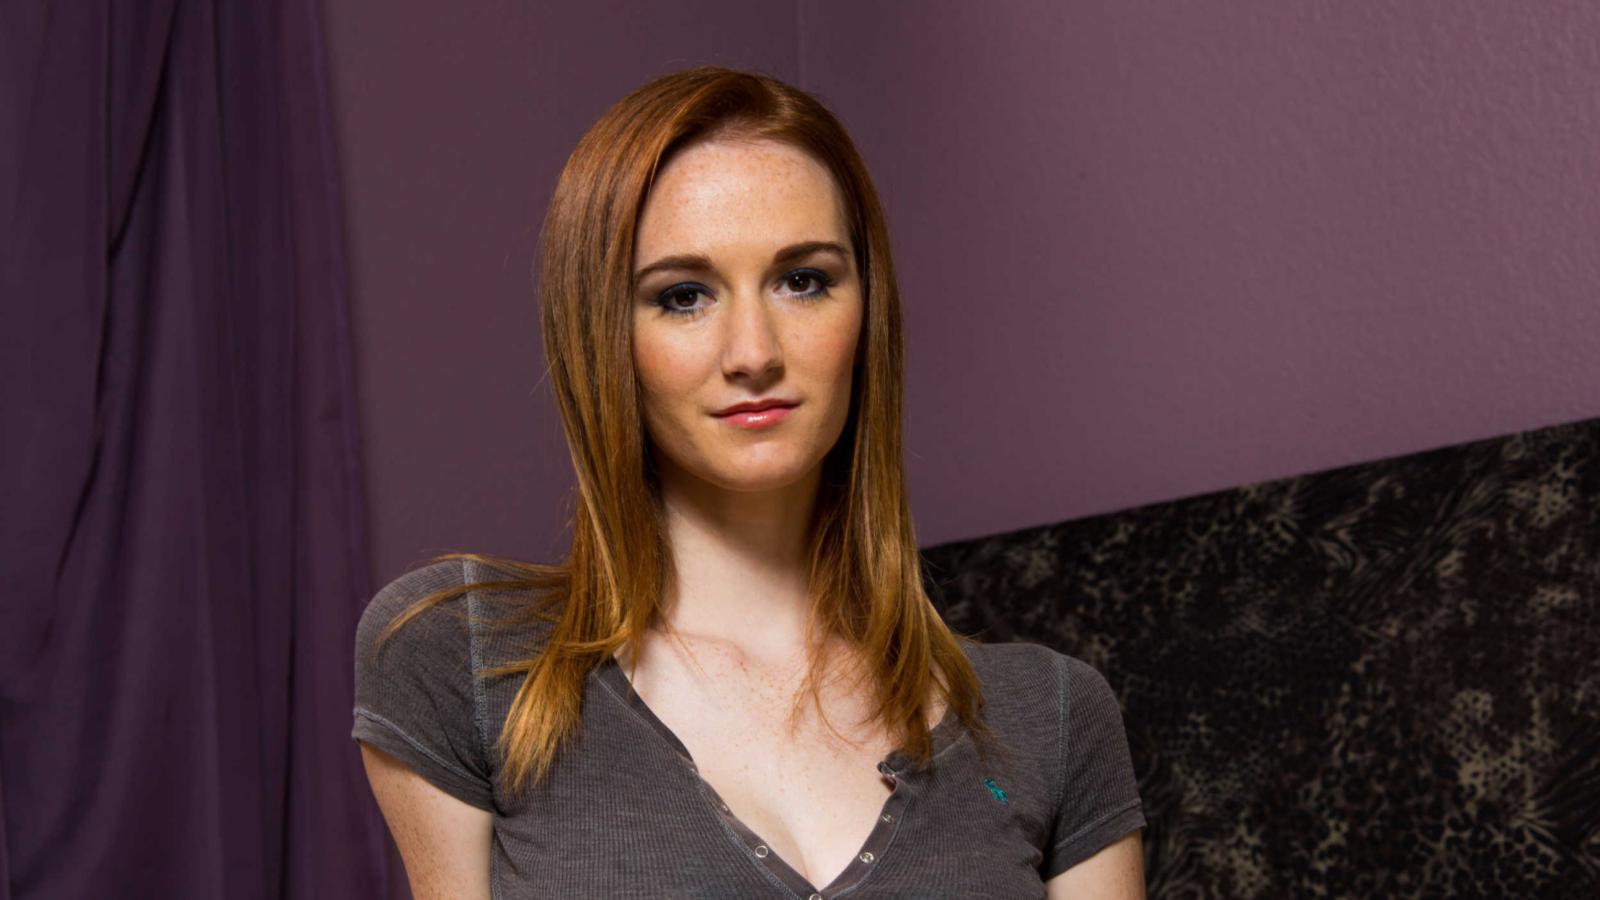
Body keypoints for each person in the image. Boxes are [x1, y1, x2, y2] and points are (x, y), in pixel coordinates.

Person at [351, 65, 1146, 899]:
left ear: (867, 312)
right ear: (601, 335)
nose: (754, 353)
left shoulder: (1051, 717)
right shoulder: (467, 660)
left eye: (803, 281)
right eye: (683, 296)